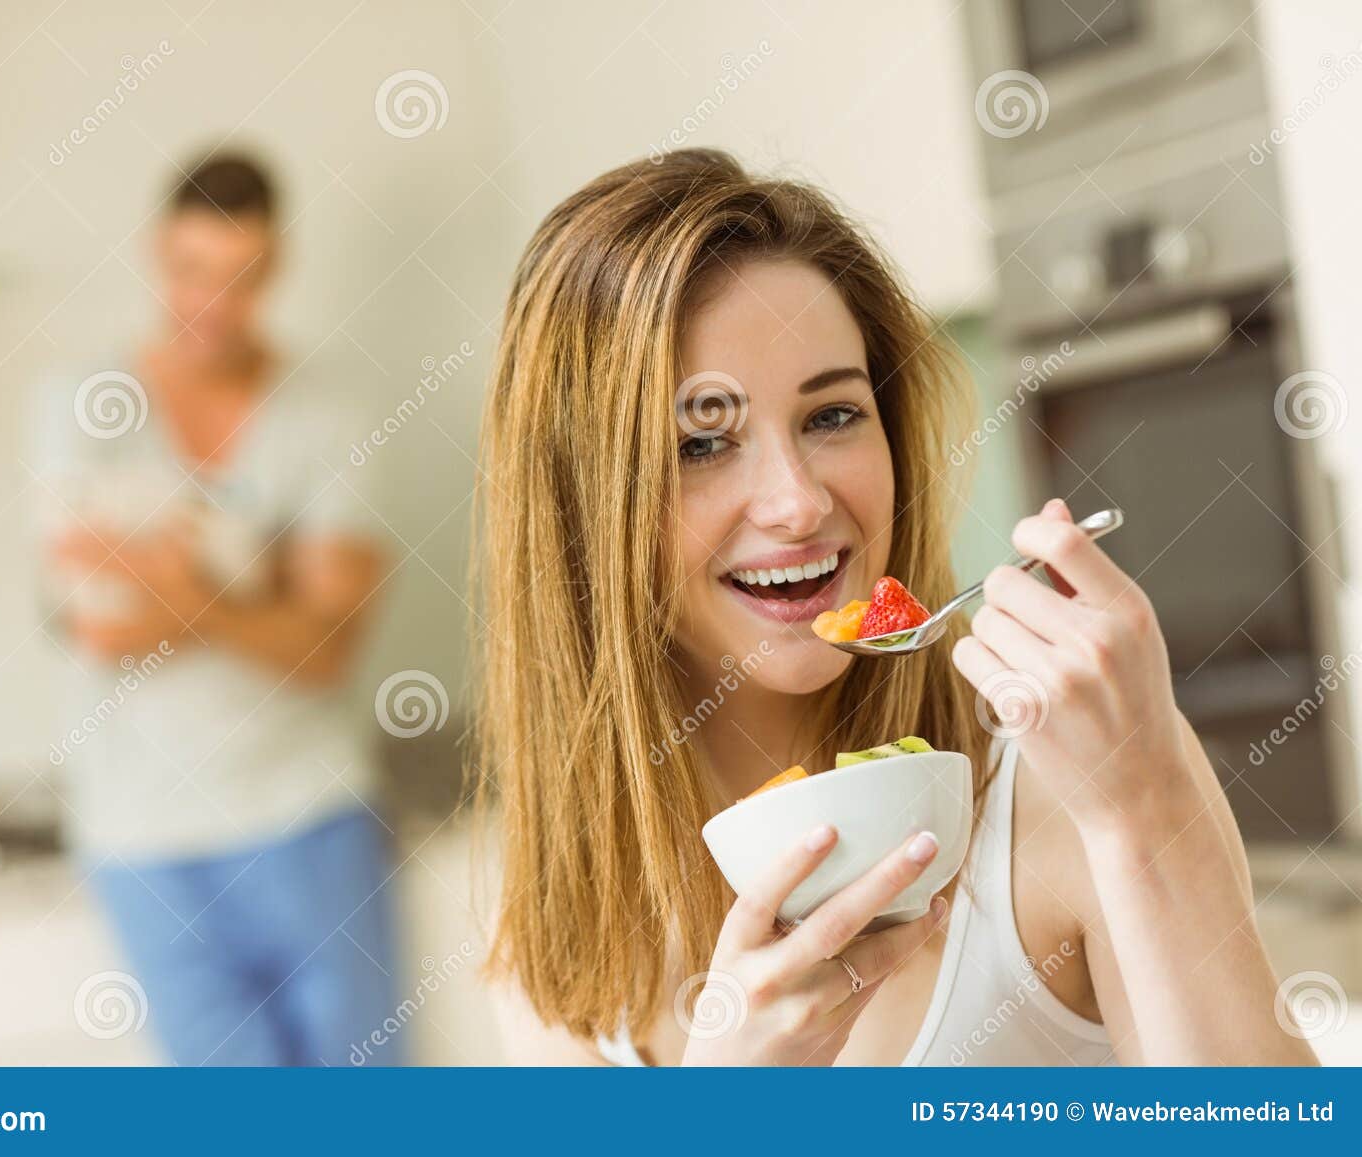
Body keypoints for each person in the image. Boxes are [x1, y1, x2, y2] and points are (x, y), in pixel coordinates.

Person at [474, 149, 1314, 1066]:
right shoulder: (564, 934)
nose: (796, 503)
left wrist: (1148, 806)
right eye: (701, 444)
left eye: (832, 415)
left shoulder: (1069, 782)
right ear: (576, 511)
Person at [32, 152, 403, 1066]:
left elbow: (325, 649)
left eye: (242, 279)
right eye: (193, 271)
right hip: (142, 842)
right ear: (157, 253)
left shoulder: (332, 413)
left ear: (276, 268)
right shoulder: (80, 406)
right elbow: (96, 620)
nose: (214, 305)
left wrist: (176, 583)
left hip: (310, 818)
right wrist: (254, 574)